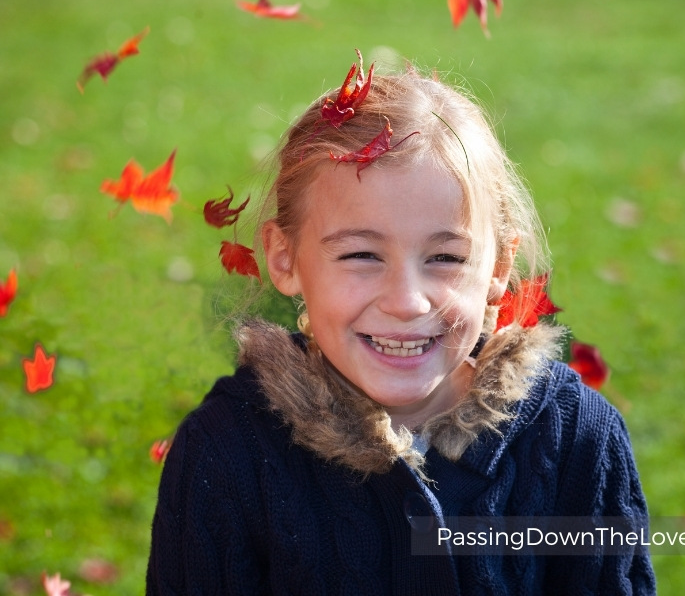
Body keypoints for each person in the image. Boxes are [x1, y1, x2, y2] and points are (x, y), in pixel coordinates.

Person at [146, 55, 656, 595]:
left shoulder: (577, 440)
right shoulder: (228, 452)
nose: (408, 302)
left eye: (446, 258)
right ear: (285, 257)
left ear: (498, 269)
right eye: (362, 255)